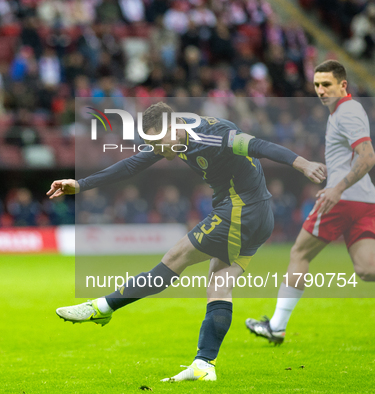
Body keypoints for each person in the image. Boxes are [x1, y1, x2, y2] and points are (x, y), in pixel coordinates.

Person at [47, 102, 326, 382]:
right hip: (259, 215)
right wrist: (81, 184)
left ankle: (103, 307)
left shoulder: (214, 135)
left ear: (175, 126)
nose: (156, 149)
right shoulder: (174, 141)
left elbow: (259, 146)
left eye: (157, 142)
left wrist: (303, 164)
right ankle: (204, 365)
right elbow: (132, 164)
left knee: (173, 260)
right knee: (219, 286)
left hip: (242, 210)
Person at [246, 60, 375, 345]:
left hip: (341, 199)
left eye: (326, 84)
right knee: (367, 269)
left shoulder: (347, 112)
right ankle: (276, 326)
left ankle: (277, 327)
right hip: (364, 199)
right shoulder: (344, 111)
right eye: (317, 85)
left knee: (299, 254)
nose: (320, 90)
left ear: (343, 85)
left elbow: (368, 157)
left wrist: (336, 188)